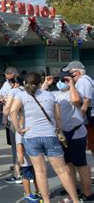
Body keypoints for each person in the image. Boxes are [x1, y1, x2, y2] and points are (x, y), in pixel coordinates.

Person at [10, 72, 79, 203]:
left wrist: (19, 129)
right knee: (62, 170)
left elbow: (12, 111)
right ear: (40, 82)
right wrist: (58, 128)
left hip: (31, 136)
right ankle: (75, 200)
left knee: (40, 171)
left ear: (26, 82)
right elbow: (57, 117)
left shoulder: (21, 95)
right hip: (50, 134)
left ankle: (46, 201)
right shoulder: (50, 95)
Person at [52, 71, 93, 201]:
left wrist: (71, 85)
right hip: (63, 134)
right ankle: (73, 189)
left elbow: (76, 101)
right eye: (58, 79)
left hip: (76, 133)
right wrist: (45, 84)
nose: (60, 82)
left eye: (63, 79)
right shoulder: (55, 94)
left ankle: (87, 193)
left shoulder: (75, 93)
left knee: (80, 164)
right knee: (68, 164)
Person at [62, 61, 94, 157]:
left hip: (90, 115)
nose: (68, 75)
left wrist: (80, 116)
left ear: (77, 72)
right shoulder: (86, 80)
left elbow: (86, 100)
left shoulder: (82, 81)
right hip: (90, 114)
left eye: (70, 72)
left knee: (92, 142)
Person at [0, 66, 22, 184]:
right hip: (20, 121)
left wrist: (4, 117)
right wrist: (1, 99)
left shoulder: (15, 90)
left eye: (10, 79)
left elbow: (9, 108)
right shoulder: (7, 85)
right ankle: (22, 168)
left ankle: (18, 173)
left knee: (16, 146)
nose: (9, 81)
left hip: (14, 121)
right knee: (20, 146)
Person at [16, 131, 41, 202]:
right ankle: (28, 194)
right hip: (26, 161)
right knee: (26, 177)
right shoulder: (20, 131)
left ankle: (39, 191)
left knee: (37, 175)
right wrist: (21, 157)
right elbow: (19, 144)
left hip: (33, 158)